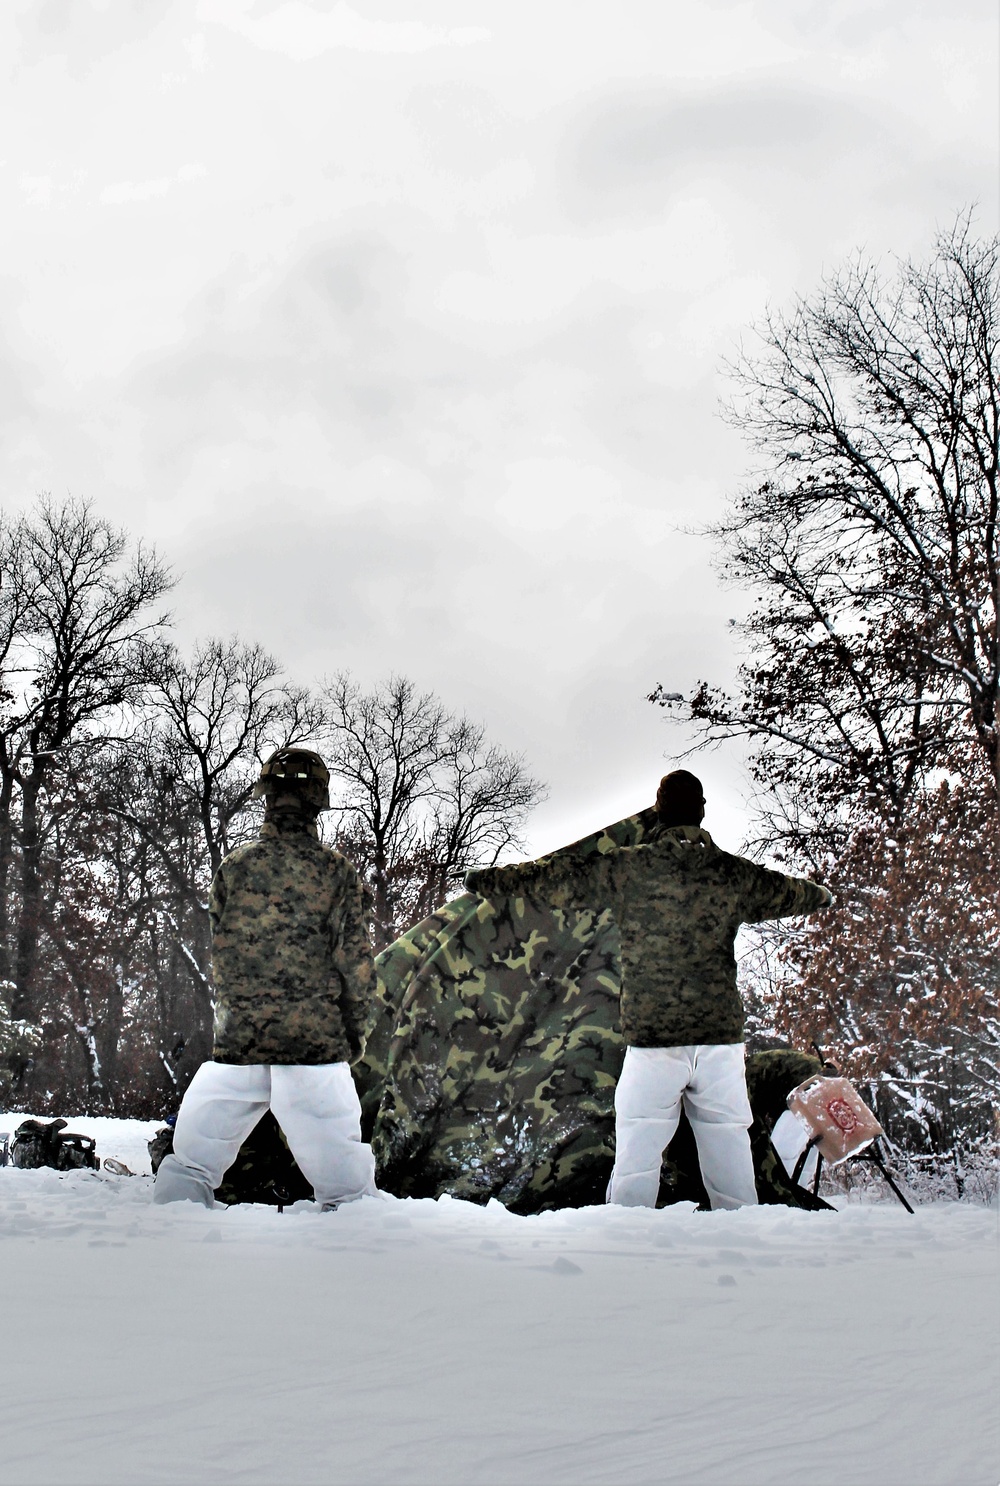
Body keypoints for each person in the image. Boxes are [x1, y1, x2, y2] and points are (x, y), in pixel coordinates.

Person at [465, 770, 833, 1211]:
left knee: (637, 1159)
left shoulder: (627, 869)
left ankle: (628, 1246)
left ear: (658, 811)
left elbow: (552, 878)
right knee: (730, 1158)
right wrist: (822, 895)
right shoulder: (732, 875)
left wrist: (487, 882)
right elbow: (792, 893)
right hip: (718, 1042)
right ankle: (741, 1243)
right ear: (701, 812)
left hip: (654, 1042)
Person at [154, 748, 378, 1210]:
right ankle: (359, 1259)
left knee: (190, 1168)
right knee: (348, 1195)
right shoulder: (335, 872)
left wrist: (236, 1015)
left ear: (267, 798)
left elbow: (222, 946)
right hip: (312, 1043)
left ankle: (168, 1236)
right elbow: (356, 966)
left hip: (241, 1040)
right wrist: (353, 1037)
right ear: (319, 799)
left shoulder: (234, 868)